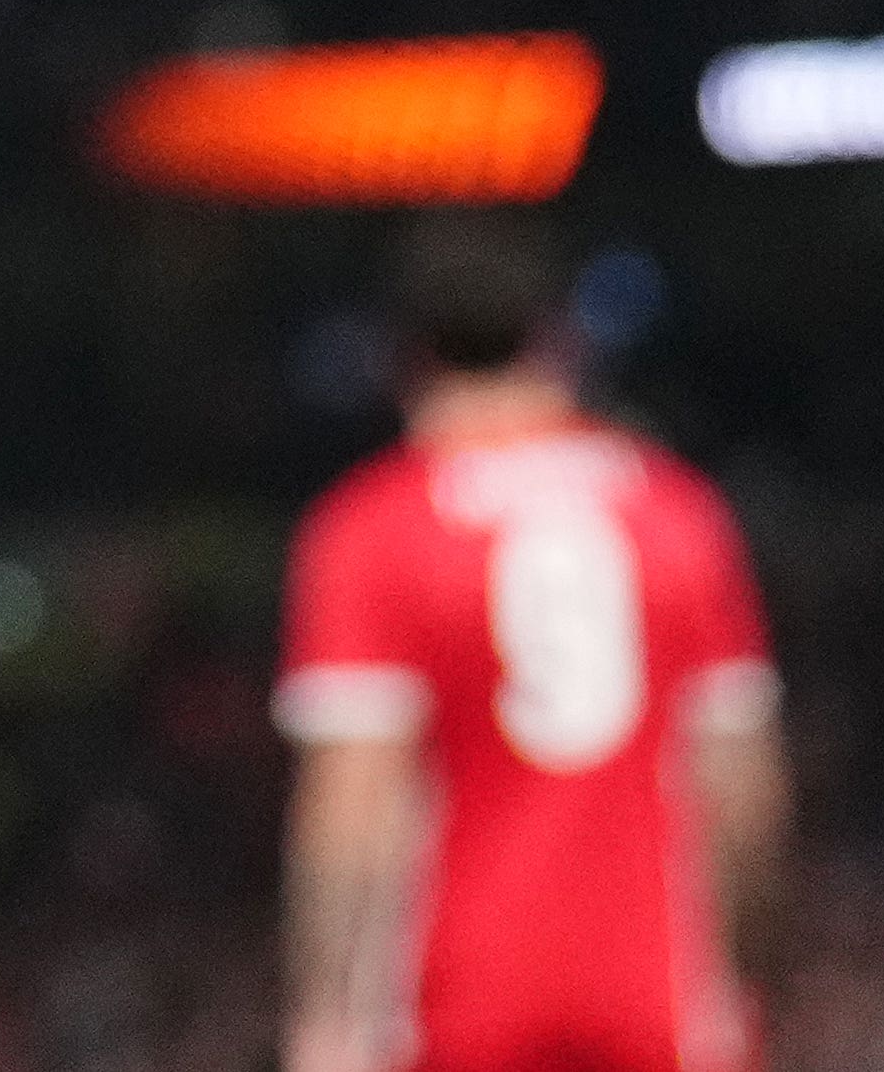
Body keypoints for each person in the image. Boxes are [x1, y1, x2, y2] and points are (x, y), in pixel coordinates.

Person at [277, 226, 786, 1072]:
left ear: (404, 355)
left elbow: (350, 809)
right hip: (659, 1010)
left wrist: (324, 1019)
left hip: (448, 1014)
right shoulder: (678, 516)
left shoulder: (373, 531)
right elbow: (745, 795)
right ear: (560, 339)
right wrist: (747, 987)